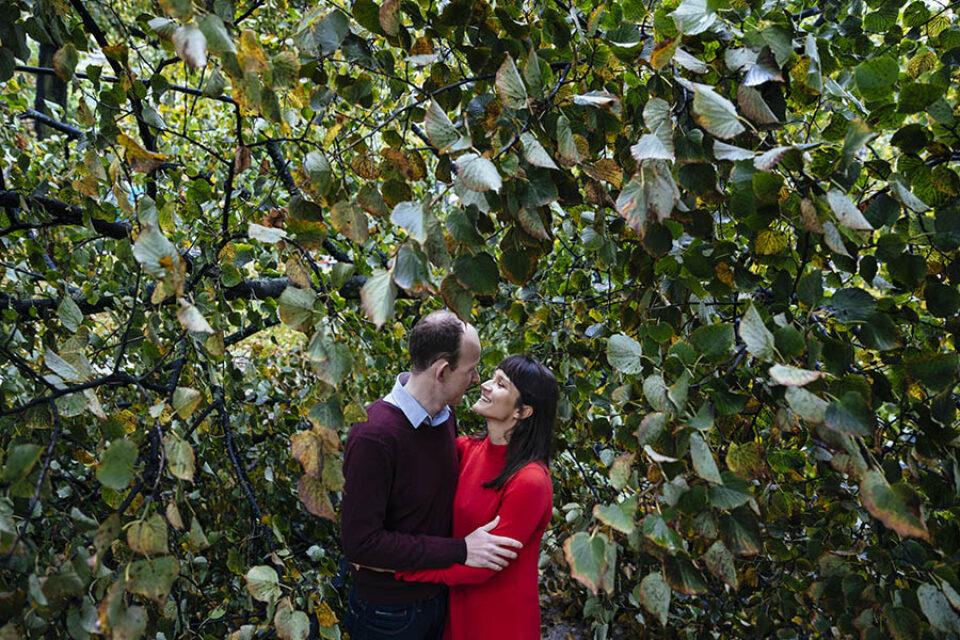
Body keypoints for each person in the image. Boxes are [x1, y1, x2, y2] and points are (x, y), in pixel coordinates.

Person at [340, 310, 524, 640]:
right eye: (470, 370)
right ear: (441, 370)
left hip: (436, 599)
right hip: (389, 615)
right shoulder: (374, 436)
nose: (475, 378)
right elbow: (361, 544)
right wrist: (460, 549)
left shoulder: (443, 419)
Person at [394, 355, 558, 640]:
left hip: (500, 622)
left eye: (500, 384)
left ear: (523, 411)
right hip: (457, 611)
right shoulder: (466, 449)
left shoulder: (530, 481)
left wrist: (402, 568)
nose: (484, 386)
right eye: (491, 378)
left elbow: (482, 568)